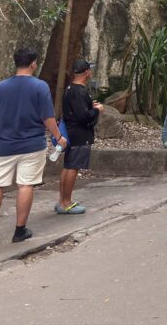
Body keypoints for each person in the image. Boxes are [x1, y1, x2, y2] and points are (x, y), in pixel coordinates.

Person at [0, 47, 66, 249]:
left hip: (3, 144)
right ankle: (20, 230)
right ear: (33, 64)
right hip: (32, 143)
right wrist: (58, 137)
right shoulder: (40, 87)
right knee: (25, 185)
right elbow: (48, 117)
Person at [56, 59, 102, 215]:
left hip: (71, 132)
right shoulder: (78, 91)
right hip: (79, 134)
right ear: (87, 72)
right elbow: (83, 117)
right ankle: (67, 203)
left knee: (68, 166)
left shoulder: (70, 88)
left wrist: (90, 105)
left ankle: (62, 201)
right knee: (73, 168)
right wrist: (97, 110)